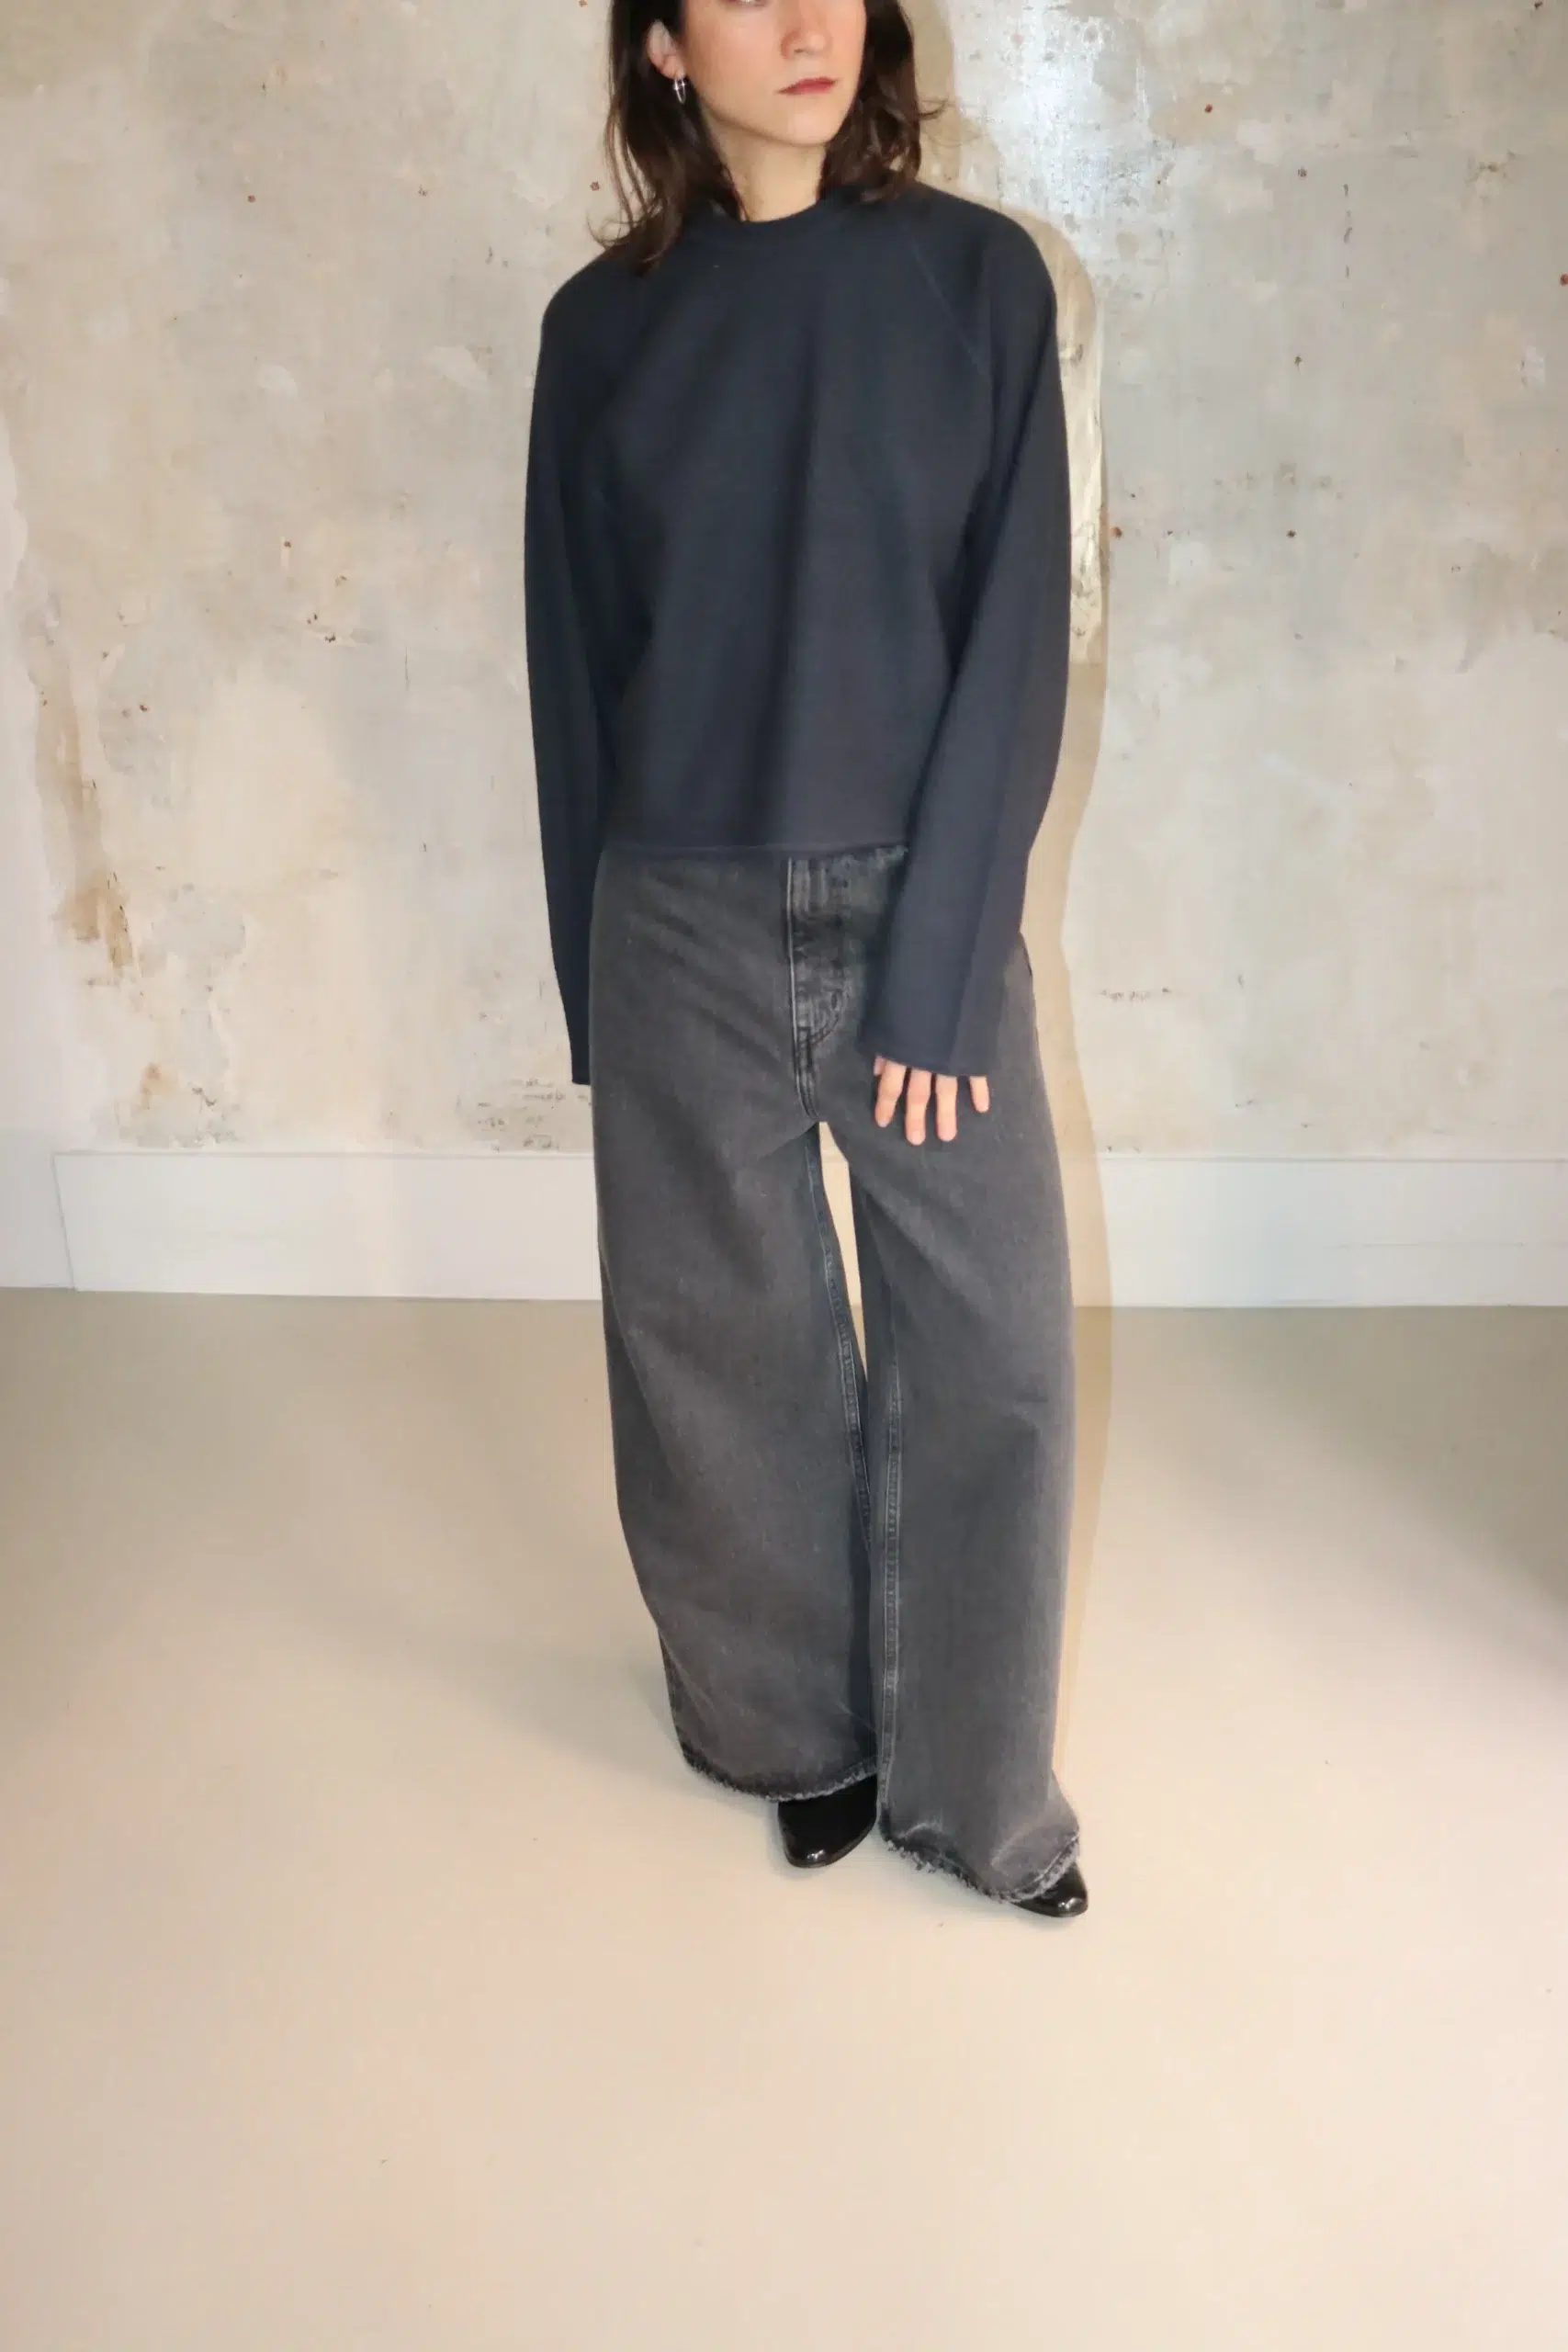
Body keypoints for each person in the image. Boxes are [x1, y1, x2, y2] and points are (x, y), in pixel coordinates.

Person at [523, 0, 1088, 1920]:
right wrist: (597, 992)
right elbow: (575, 670)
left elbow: (1015, 642)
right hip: (674, 913)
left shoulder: (975, 283)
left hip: (914, 899)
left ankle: (979, 1790)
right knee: (720, 1356)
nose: (802, 21)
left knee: (994, 1351)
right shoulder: (598, 333)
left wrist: (941, 962)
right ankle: (792, 1732)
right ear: (664, 50)